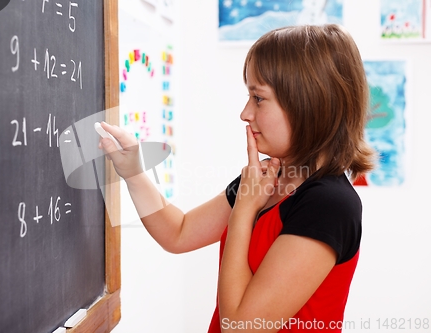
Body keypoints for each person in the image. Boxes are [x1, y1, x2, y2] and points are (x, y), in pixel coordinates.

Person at [99, 24, 375, 333]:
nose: (245, 113)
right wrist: (133, 171)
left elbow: (241, 326)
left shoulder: (329, 204)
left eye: (258, 98)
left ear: (308, 103)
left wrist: (245, 209)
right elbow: (178, 233)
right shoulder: (267, 178)